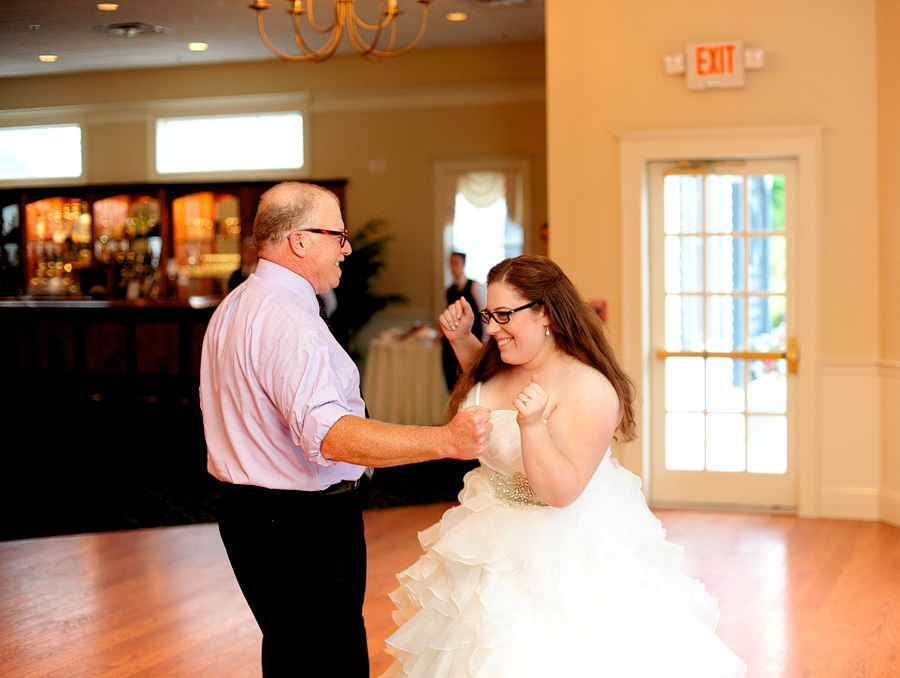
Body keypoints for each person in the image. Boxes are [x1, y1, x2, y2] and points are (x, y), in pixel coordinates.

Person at [378, 255, 747, 678]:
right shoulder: (500, 363)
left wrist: (533, 426)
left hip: (562, 547)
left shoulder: (588, 388)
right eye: (488, 315)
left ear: (546, 314)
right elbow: (487, 393)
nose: (493, 327)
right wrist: (462, 341)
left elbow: (561, 492)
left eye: (503, 315)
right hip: (488, 532)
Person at [199, 181, 492, 678]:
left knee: (292, 654)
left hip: (249, 517)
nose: (347, 248)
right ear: (300, 241)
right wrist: (445, 440)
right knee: (331, 663)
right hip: (300, 528)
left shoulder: (237, 304)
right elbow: (330, 435)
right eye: (338, 235)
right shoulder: (289, 321)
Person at [441, 251, 486, 391]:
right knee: (452, 384)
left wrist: (484, 342)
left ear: (463, 264)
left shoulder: (475, 286)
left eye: (456, 263)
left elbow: (485, 314)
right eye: (451, 264)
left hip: (472, 339)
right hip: (451, 346)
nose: (454, 267)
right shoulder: (449, 290)